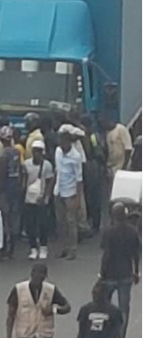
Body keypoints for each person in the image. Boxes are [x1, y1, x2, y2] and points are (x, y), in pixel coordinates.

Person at [99, 202, 141, 338]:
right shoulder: (132, 231)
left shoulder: (108, 231)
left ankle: (107, 331)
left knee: (105, 305)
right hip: (126, 273)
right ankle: (121, 334)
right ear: (125, 215)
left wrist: (101, 273)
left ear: (113, 216)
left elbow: (106, 254)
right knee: (124, 308)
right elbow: (136, 254)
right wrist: (136, 272)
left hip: (110, 273)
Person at [6, 263, 71, 338]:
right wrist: (8, 335)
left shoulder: (51, 290)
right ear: (31, 275)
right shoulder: (19, 289)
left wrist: (54, 310)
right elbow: (10, 315)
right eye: (36, 277)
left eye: (41, 278)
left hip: (44, 334)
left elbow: (67, 307)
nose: (38, 281)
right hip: (25, 334)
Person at [54, 130, 83, 260]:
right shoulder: (58, 151)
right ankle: (63, 248)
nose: (61, 144)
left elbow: (79, 179)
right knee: (60, 222)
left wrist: (78, 198)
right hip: (58, 190)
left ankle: (73, 249)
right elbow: (57, 170)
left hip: (70, 192)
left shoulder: (76, 156)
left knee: (71, 222)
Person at [23, 140, 54, 260]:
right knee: (30, 225)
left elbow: (50, 180)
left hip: (42, 200)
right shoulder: (26, 164)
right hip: (28, 199)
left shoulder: (47, 165)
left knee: (42, 224)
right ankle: (33, 248)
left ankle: (43, 247)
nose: (37, 154)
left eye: (39, 151)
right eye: (35, 151)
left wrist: (46, 195)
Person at [0, 126, 23, 259]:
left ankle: (6, 249)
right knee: (14, 217)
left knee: (5, 219)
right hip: (16, 187)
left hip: (6, 188)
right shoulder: (16, 152)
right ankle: (12, 246)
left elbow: (1, 175)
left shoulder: (3, 155)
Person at [99, 114, 133, 179]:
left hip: (122, 165)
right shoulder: (107, 133)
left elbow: (128, 149)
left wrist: (124, 167)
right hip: (112, 166)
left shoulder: (121, 129)